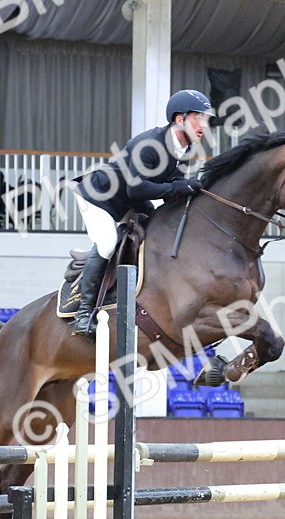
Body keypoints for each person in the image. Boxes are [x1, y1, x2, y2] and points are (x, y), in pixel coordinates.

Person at [69, 89, 214, 338]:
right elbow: (137, 188)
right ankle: (83, 313)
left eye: (206, 119)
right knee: (106, 244)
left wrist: (192, 187)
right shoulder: (150, 144)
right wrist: (176, 187)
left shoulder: (182, 147)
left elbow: (165, 180)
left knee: (157, 230)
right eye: (198, 118)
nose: (204, 124)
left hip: (127, 201)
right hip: (98, 198)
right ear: (179, 119)